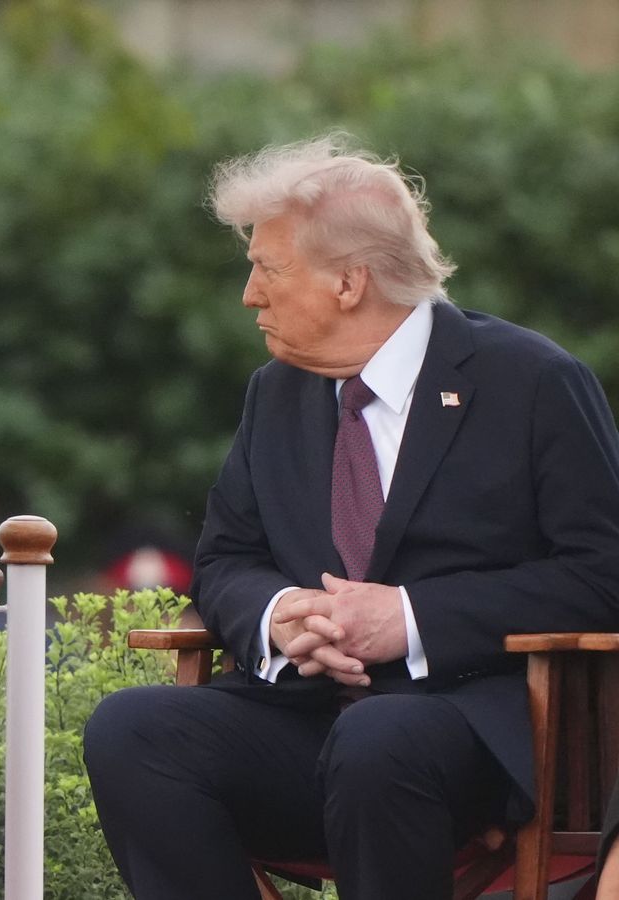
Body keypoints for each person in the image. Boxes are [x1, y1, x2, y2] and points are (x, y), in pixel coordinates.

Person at [83, 134, 619, 899]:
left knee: (379, 739)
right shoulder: (276, 392)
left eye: (267, 269)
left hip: (472, 729)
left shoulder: (532, 382)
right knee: (131, 731)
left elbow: (603, 575)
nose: (249, 295)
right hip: (305, 720)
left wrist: (410, 618)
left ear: (348, 283)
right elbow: (224, 560)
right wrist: (279, 614)